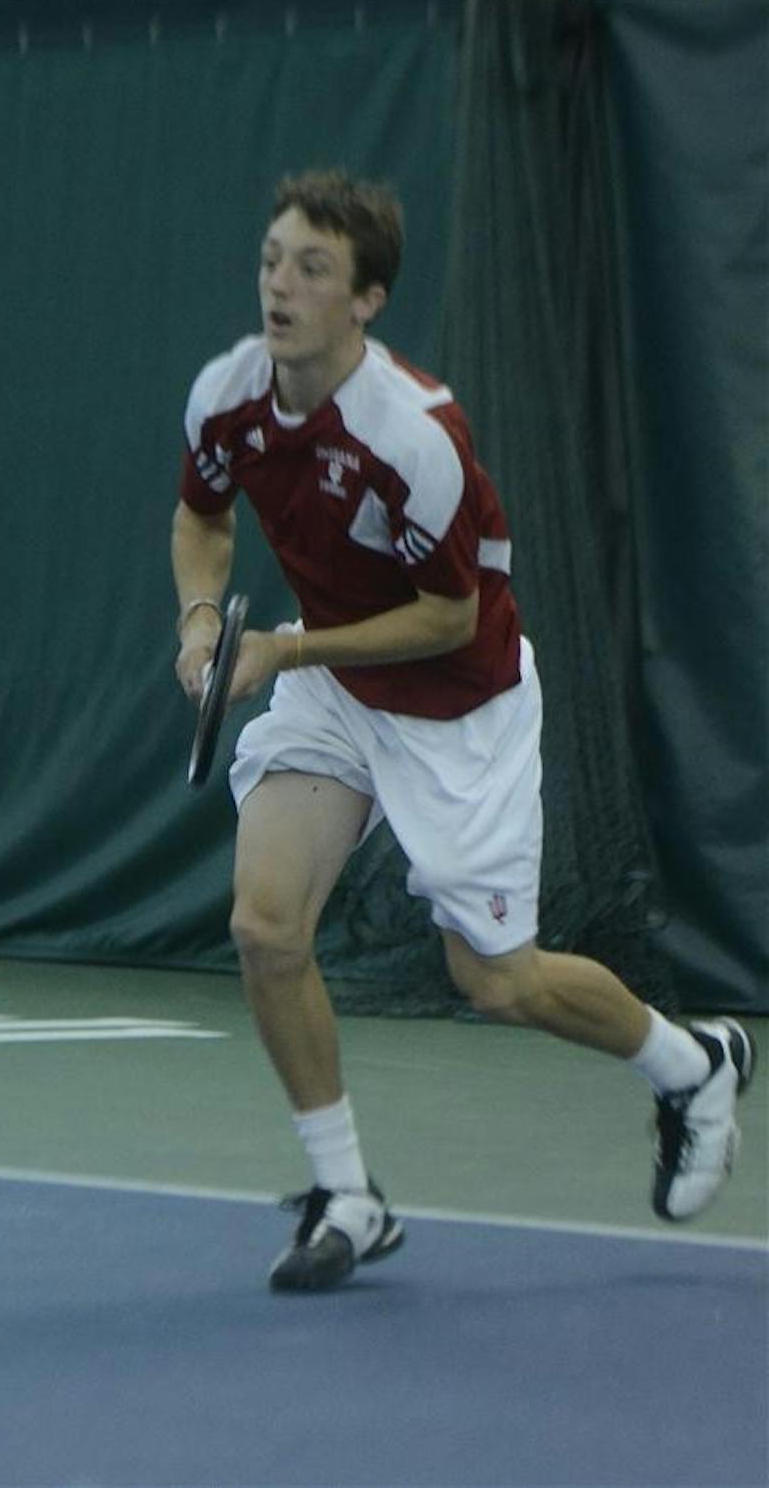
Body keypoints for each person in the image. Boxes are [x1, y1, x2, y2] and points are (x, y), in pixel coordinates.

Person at [171, 170, 755, 1293]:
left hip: (456, 703)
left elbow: (446, 614)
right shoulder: (227, 398)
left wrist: (281, 650)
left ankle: (691, 1065)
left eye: (312, 269)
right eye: (272, 258)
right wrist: (203, 619)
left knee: (496, 980)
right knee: (265, 924)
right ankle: (347, 1194)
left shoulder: (416, 436)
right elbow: (200, 518)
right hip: (337, 680)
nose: (279, 285)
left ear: (368, 300)